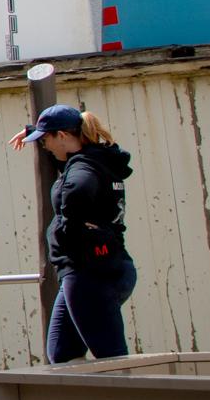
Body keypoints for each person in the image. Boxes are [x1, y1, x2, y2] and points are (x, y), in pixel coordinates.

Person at [9, 104, 137, 362]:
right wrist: (33, 131)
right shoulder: (96, 159)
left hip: (90, 275)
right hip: (107, 267)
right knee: (62, 353)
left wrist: (67, 229)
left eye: (46, 139)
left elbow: (78, 189)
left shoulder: (81, 169)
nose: (44, 145)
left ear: (63, 136)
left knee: (112, 360)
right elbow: (71, 166)